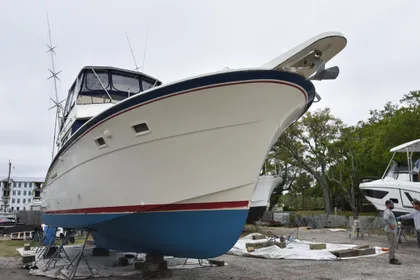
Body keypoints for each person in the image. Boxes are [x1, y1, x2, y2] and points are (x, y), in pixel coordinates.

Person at [383, 200, 401, 265]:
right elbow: (385, 218)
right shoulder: (387, 211)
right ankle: (391, 259)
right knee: (391, 245)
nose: (393, 205)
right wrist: (390, 225)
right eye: (391, 204)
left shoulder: (389, 211)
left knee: (393, 244)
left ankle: (393, 257)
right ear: (387, 205)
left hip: (392, 231)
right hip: (390, 231)